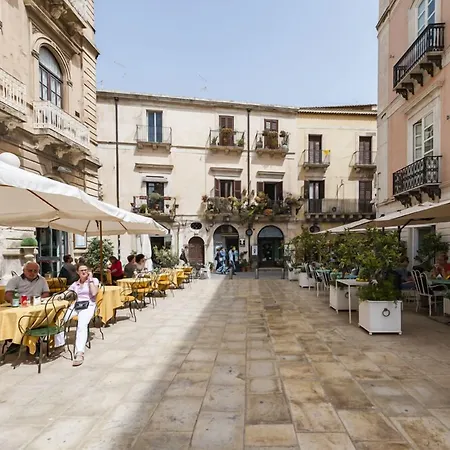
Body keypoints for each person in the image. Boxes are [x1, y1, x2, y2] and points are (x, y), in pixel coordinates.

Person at [54, 264, 99, 367]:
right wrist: (59, 296)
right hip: (76, 305)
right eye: (81, 270)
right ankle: (60, 344)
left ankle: (79, 352)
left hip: (89, 306)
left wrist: (90, 279)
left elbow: (94, 293)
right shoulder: (75, 284)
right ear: (78, 272)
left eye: (86, 270)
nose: (84, 272)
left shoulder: (93, 281)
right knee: (60, 319)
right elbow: (68, 293)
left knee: (81, 325)